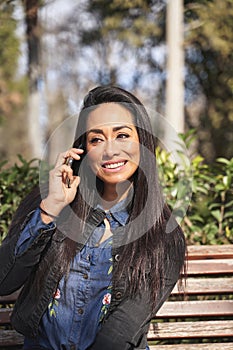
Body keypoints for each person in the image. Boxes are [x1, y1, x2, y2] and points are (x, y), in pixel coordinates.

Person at [0, 85, 186, 350]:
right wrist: (49, 210)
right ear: (84, 149)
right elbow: (4, 282)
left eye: (122, 135)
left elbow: (120, 333)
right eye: (96, 139)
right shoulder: (52, 201)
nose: (110, 151)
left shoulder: (163, 235)